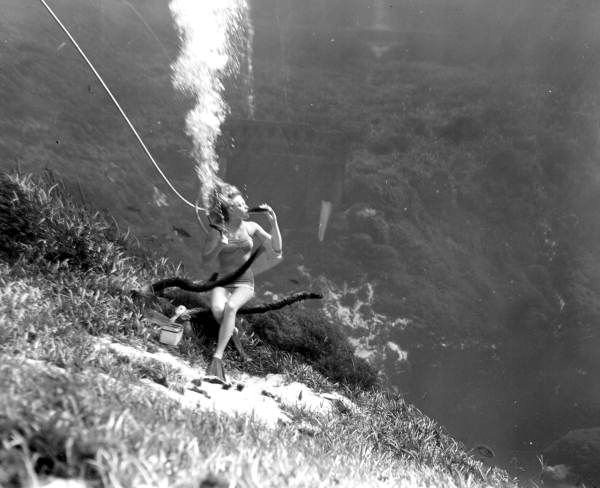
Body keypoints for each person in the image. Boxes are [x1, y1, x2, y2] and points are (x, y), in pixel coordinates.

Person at [201, 184, 282, 383]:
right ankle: (232, 332)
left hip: (245, 282)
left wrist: (274, 224)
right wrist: (220, 245)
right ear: (230, 209)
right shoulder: (218, 230)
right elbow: (206, 259)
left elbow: (277, 249)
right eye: (240, 204)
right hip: (223, 280)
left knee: (230, 308)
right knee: (219, 312)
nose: (245, 206)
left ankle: (217, 357)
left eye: (245, 203)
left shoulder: (251, 227)